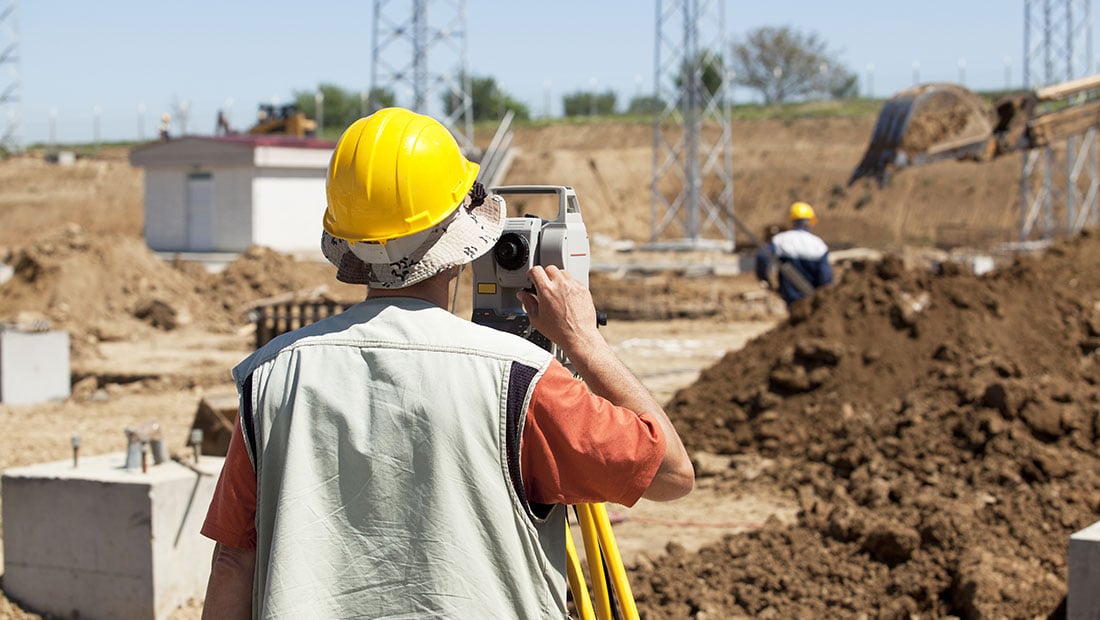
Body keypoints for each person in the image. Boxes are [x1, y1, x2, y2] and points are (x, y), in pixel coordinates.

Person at [199, 107, 694, 619]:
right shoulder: (522, 382)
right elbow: (672, 475)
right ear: (461, 245)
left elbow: (233, 561)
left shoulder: (270, 376)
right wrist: (585, 342)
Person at [755, 201, 833, 306]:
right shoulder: (819, 245)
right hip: (813, 301)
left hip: (791, 299)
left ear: (791, 221)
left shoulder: (781, 240)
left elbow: (762, 256)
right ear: (810, 222)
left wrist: (765, 279)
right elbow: (825, 276)